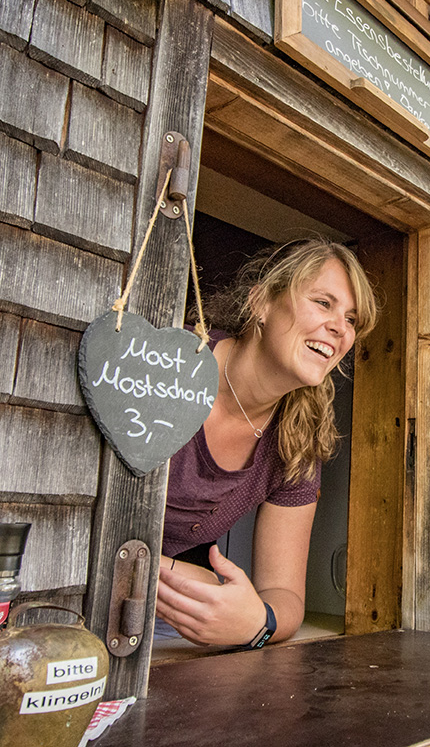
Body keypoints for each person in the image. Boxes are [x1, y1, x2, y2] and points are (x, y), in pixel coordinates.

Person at [155, 239, 377, 648]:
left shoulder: (298, 438)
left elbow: (286, 595)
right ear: (261, 302)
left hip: (165, 619)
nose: (340, 328)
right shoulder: (169, 362)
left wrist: (258, 622)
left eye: (351, 319)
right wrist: (182, 574)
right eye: (323, 303)